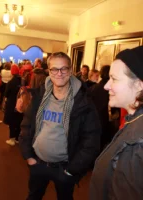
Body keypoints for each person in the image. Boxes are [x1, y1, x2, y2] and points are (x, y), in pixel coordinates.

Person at [19, 52, 101, 200]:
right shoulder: (40, 95)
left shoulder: (83, 101)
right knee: (33, 196)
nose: (59, 73)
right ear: (49, 71)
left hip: (64, 167)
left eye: (64, 69)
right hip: (38, 163)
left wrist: (72, 170)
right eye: (54, 69)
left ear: (70, 71)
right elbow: (26, 125)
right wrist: (29, 157)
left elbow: (91, 140)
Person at [90, 46, 143, 200]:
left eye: (114, 78)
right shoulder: (133, 120)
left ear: (140, 85)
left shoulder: (138, 142)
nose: (106, 85)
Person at [4, 64, 23, 146]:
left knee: (12, 122)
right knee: (19, 121)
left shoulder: (11, 82)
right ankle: (18, 138)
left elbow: (6, 94)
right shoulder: (22, 81)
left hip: (12, 103)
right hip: (21, 104)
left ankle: (12, 139)